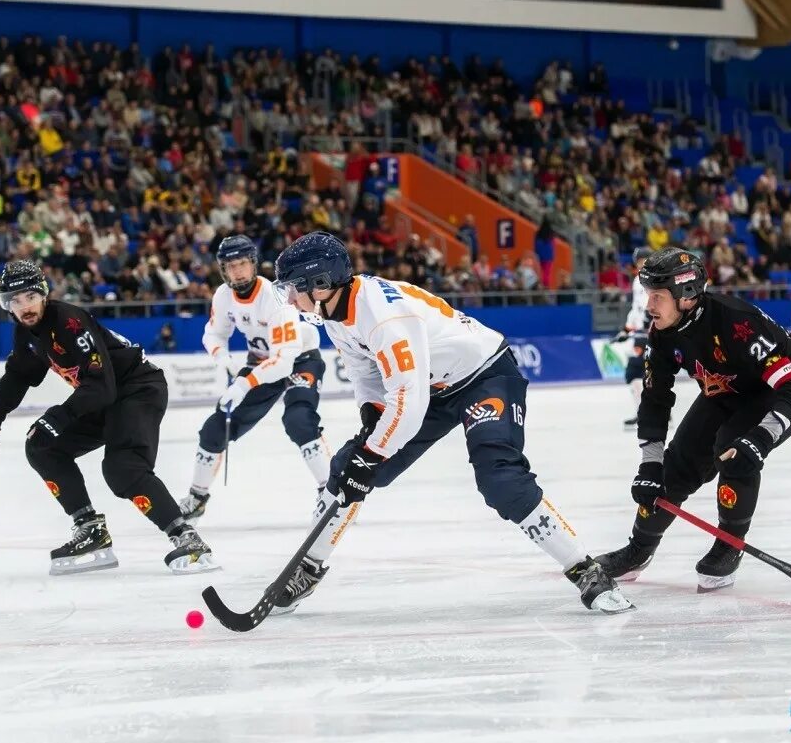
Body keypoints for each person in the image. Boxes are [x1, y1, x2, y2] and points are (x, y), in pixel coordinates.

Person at [268, 232, 633, 615]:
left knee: (500, 478)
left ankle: (584, 569)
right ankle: (307, 567)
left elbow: (409, 400)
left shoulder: (382, 316)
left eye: (294, 289)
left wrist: (373, 454)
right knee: (345, 468)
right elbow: (366, 375)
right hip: (432, 387)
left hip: (484, 375)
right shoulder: (334, 314)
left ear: (321, 284)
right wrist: (369, 424)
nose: (290, 300)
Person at [0, 259, 218, 576]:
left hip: (137, 388)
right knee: (42, 445)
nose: (25, 307)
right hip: (103, 395)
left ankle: (186, 537)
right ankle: (90, 530)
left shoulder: (69, 322)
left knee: (122, 468)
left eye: (30, 297)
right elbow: (18, 375)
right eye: (15, 301)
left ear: (44, 295)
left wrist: (60, 416)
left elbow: (101, 386)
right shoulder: (27, 333)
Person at [595, 248, 791, 591]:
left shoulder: (737, 323)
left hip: (778, 392)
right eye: (646, 294)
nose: (649, 305)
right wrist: (649, 465)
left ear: (686, 296)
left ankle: (729, 545)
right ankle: (639, 549)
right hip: (725, 391)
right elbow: (655, 400)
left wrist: (761, 438)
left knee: (735, 452)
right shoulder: (663, 333)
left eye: (657, 296)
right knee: (674, 467)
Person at [179, 235, 330, 521]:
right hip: (261, 363)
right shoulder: (224, 295)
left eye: (242, 264)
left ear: (254, 264)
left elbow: (284, 361)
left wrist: (243, 382)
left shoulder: (275, 296)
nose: (237, 271)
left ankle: (332, 492)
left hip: (299, 359)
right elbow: (214, 333)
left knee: (299, 420)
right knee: (215, 428)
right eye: (230, 265)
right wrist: (223, 359)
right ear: (222, 269)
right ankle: (197, 498)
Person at [618, 246, 652, 429]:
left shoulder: (655, 279)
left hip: (651, 332)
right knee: (644, 373)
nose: (642, 265)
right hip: (641, 331)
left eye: (645, 261)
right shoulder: (637, 281)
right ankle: (653, 413)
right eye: (639, 262)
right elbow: (636, 308)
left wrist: (650, 318)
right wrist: (627, 328)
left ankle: (646, 413)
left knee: (635, 371)